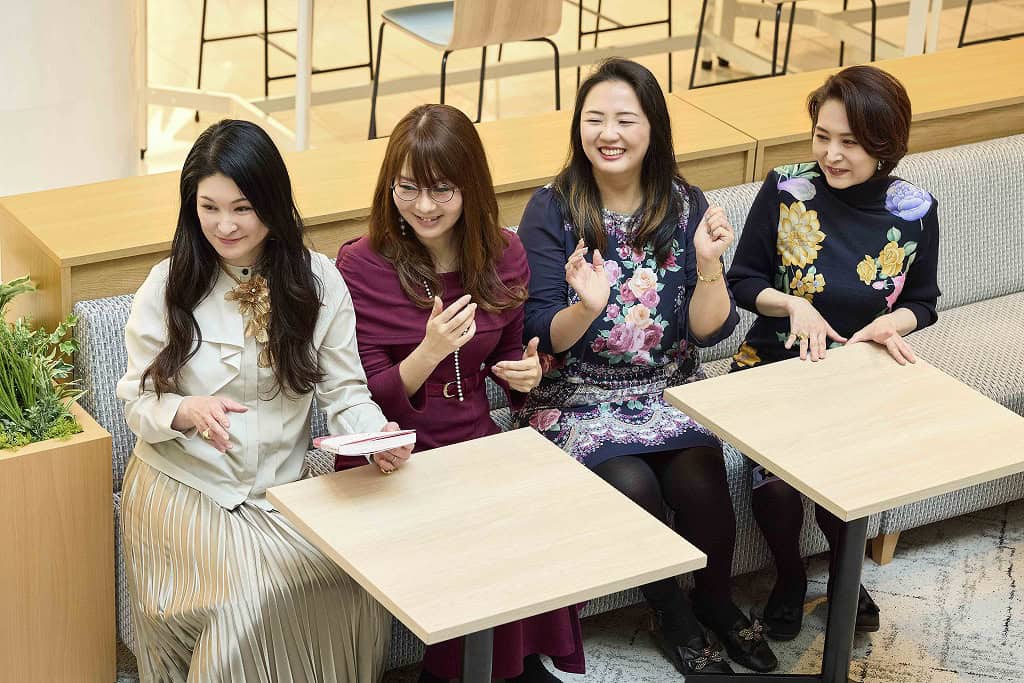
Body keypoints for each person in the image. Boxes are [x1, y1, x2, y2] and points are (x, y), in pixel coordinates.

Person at [117, 119, 412, 682]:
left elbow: (346, 391)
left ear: (273, 203)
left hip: (280, 490)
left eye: (243, 208)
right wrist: (185, 410)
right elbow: (137, 401)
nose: (224, 225)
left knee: (353, 578)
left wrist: (375, 436)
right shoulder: (167, 283)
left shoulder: (319, 282)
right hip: (185, 485)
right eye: (209, 207)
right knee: (248, 599)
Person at [517, 58, 778, 676]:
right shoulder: (552, 209)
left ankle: (715, 599)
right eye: (594, 119)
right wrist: (587, 308)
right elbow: (540, 331)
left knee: (702, 481)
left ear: (653, 127)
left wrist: (709, 265)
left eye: (625, 120)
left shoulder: (685, 204)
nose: (608, 134)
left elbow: (707, 332)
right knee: (633, 485)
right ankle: (674, 615)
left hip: (669, 389)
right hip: (576, 394)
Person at [336, 103, 584, 683]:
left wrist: (525, 372)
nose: (424, 206)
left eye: (442, 190)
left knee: (538, 506)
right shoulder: (361, 265)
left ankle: (515, 664)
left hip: (473, 435)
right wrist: (427, 351)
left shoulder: (504, 253)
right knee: (472, 534)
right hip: (393, 448)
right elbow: (362, 397)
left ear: (470, 186)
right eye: (408, 188)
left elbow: (509, 352)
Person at [726, 65, 941, 641]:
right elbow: (742, 280)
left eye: (850, 142)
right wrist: (792, 305)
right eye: (822, 136)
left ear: (885, 144)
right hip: (777, 363)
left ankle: (846, 577)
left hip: (859, 370)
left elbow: (923, 303)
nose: (831, 154)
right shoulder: (786, 188)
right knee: (776, 481)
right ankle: (791, 576)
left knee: (847, 479)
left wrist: (889, 324)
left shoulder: (915, 209)